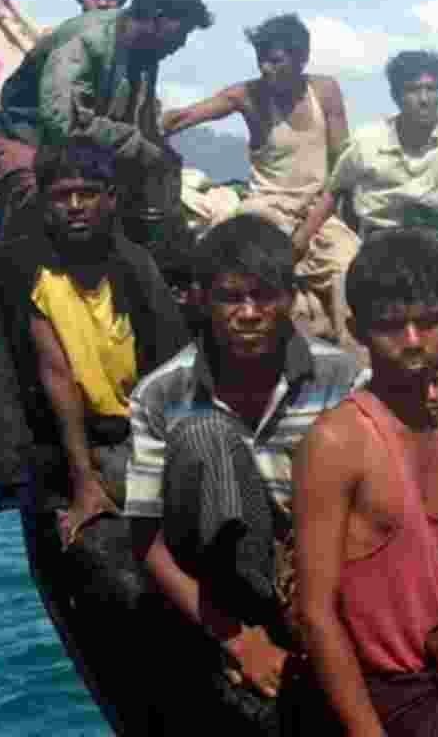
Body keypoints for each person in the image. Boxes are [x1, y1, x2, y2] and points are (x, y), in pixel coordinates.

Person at [123, 214, 363, 714]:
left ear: (290, 298)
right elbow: (146, 539)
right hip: (222, 580)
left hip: (316, 567)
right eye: (231, 297)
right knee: (208, 437)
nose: (249, 313)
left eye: (264, 296)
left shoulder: (341, 377)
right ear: (203, 300)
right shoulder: (161, 393)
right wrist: (235, 638)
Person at [292, 229, 438, 736]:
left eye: (429, 322)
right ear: (356, 329)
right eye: (392, 326)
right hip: (386, 697)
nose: (414, 341)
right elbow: (315, 613)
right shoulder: (338, 442)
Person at [0, 139, 188, 548]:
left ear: (111, 199)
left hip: (135, 433)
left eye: (88, 194)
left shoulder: (135, 266)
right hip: (67, 446)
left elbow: (174, 363)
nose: (75, 205)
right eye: (62, 196)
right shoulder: (23, 271)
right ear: (44, 202)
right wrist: (82, 482)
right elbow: (54, 377)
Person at [161, 13, 358, 349]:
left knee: (351, 268)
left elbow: (342, 172)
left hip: (319, 213)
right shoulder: (248, 96)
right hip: (266, 208)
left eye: (276, 60)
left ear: (301, 59)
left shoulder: (324, 92)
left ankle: (358, 373)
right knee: (235, 261)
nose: (266, 68)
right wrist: (146, 124)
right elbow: (185, 116)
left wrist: (307, 233)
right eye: (261, 60)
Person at [0, 0, 211, 235]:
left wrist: (161, 158)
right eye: (182, 32)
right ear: (158, 18)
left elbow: (144, 126)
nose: (182, 43)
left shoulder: (146, 53)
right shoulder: (86, 39)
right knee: (50, 199)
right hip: (21, 140)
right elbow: (64, 123)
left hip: (80, 155)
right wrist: (138, 145)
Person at [305, 49, 438, 365]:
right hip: (382, 238)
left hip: (434, 239)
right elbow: (334, 192)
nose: (425, 99)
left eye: (432, 89)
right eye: (414, 90)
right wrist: (296, 245)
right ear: (397, 96)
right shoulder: (368, 140)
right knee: (365, 300)